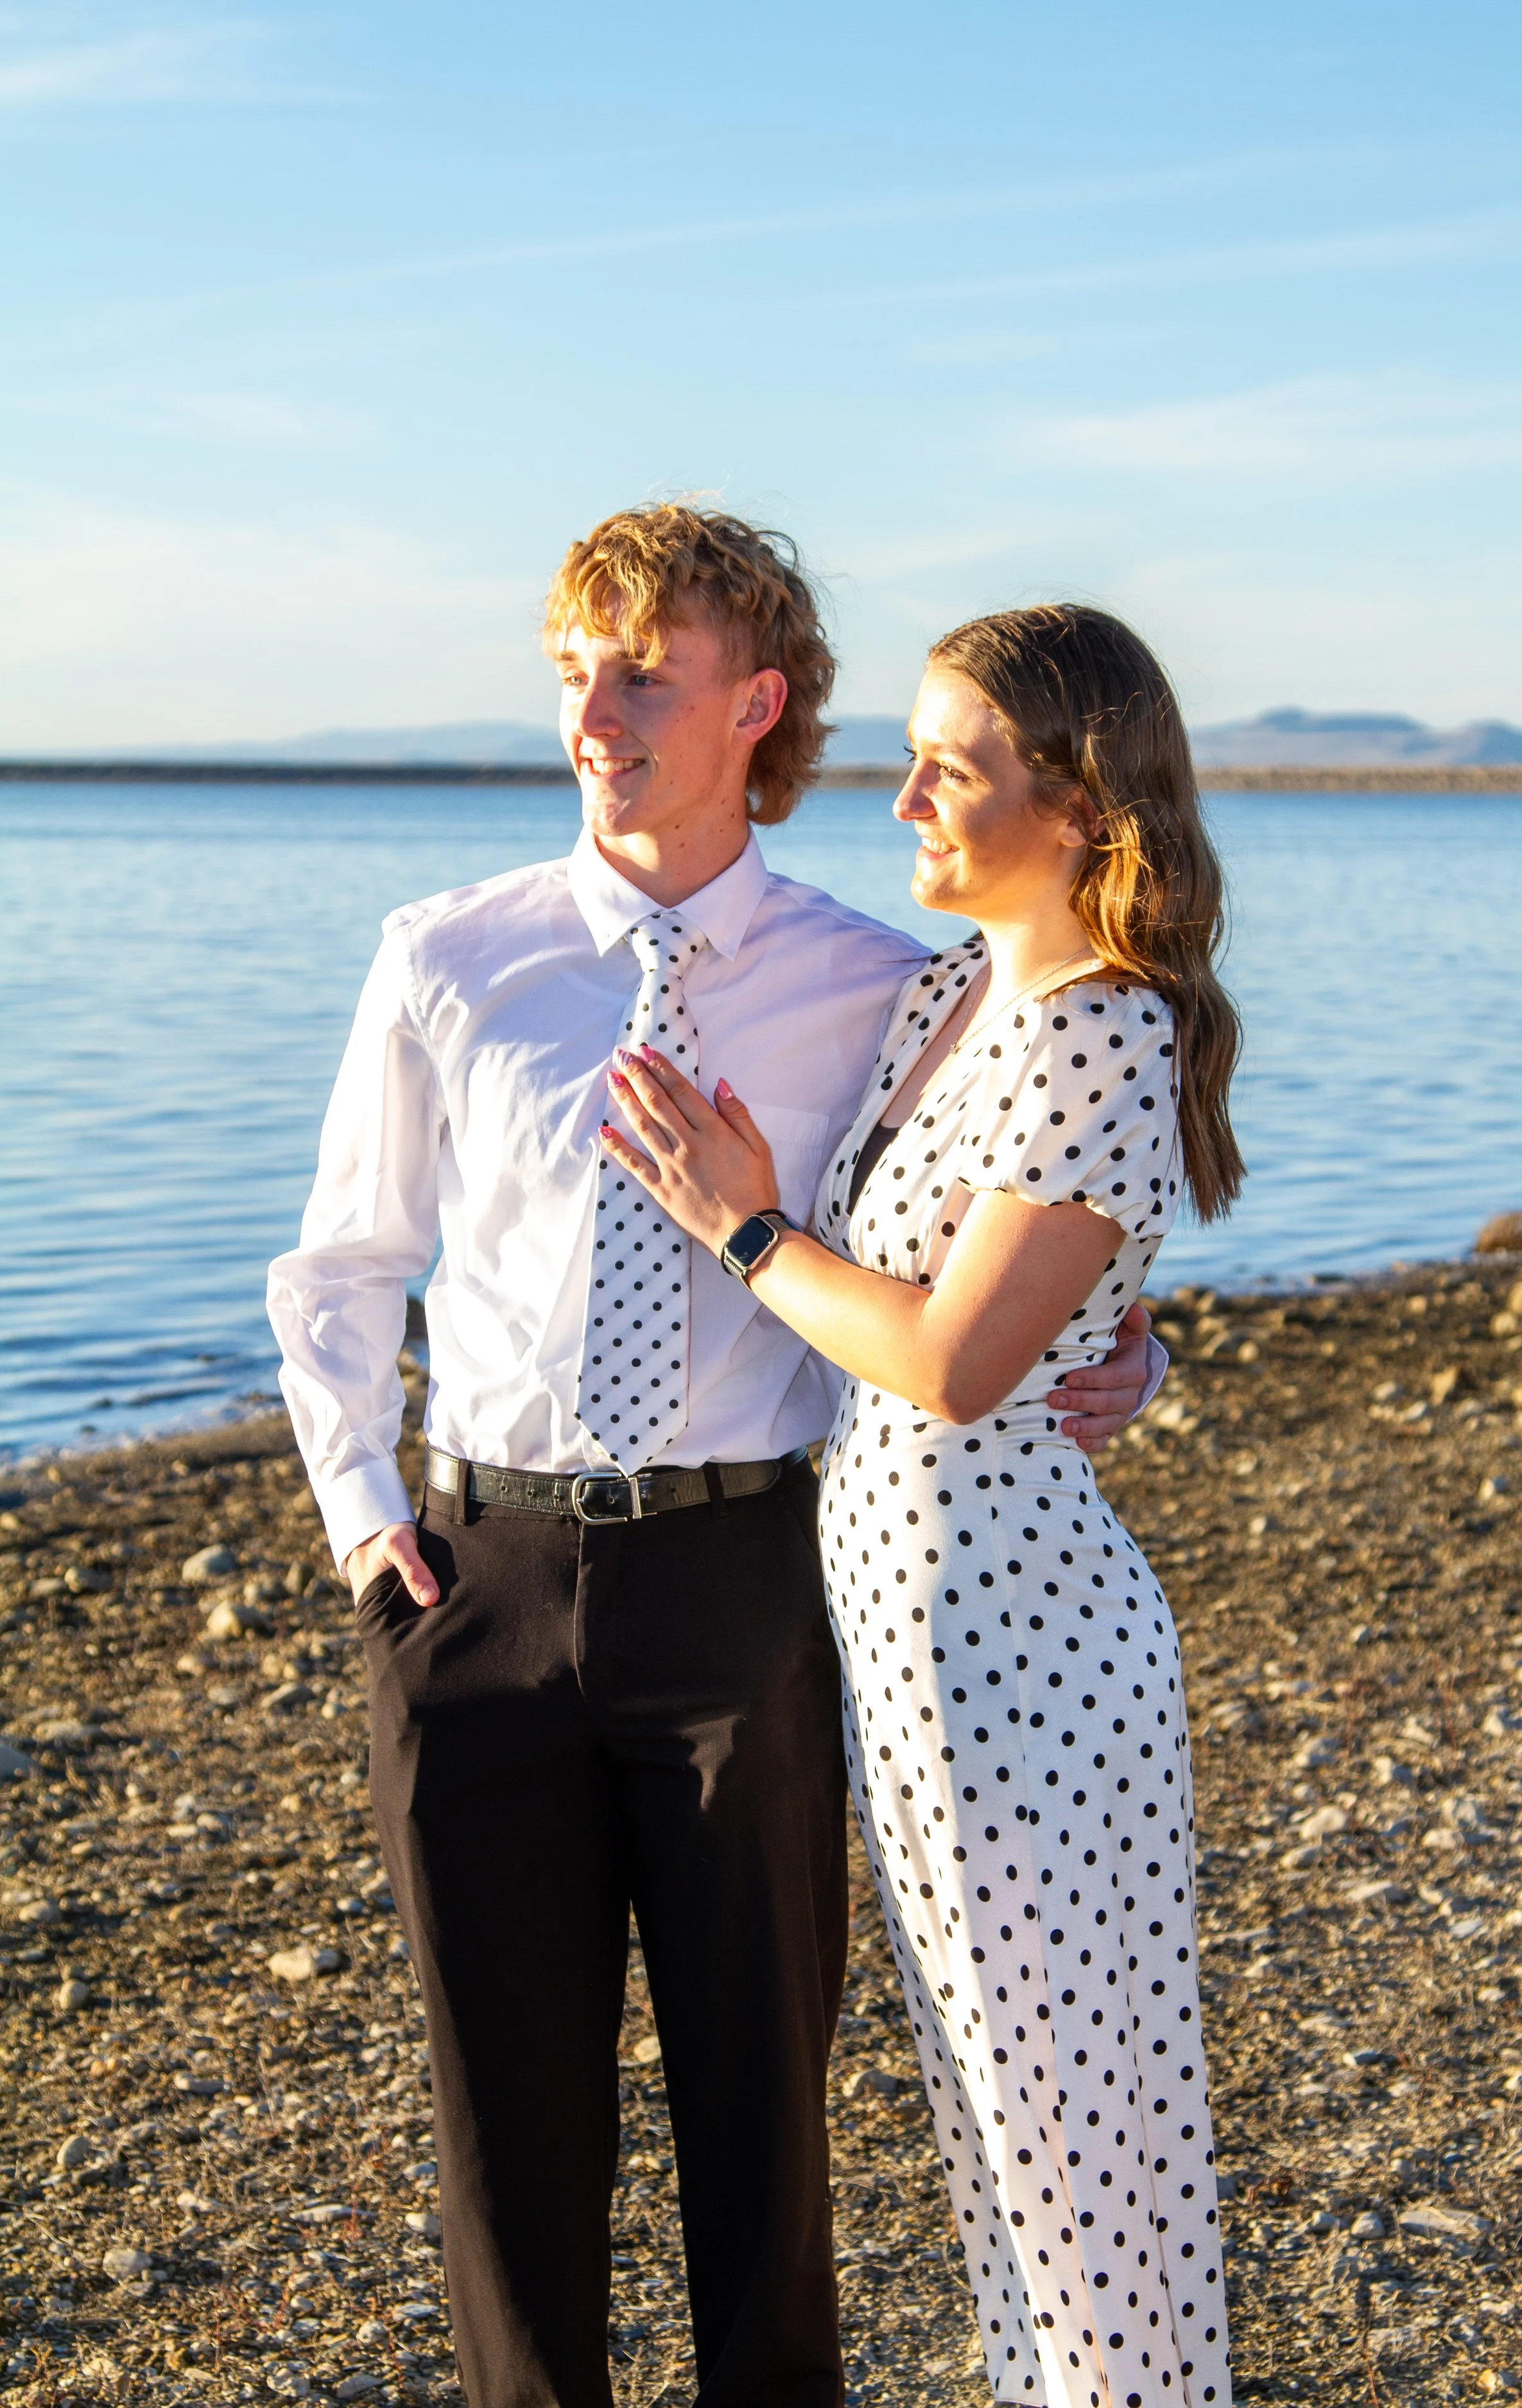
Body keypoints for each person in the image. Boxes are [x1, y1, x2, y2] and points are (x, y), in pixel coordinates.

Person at [265, 507, 1162, 2408]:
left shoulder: (887, 988)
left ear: (753, 703)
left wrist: (1117, 1339)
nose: (592, 708)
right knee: (505, 2139)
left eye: (641, 669)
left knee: (764, 2127)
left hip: (751, 1590)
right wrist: (365, 1528)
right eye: (570, 666)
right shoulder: (447, 956)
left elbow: (1002, 1204)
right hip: (477, 1587)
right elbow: (341, 1270)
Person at [600, 600, 1242, 2408]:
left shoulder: (1100, 1033)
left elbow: (955, 1363)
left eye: (947, 771)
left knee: (1077, 2143)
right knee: (999, 2126)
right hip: (914, 1640)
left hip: (1018, 1650)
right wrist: (1130, 1345)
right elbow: (1039, 1307)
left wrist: (735, 1221)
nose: (900, 805)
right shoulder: (948, 996)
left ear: (1084, 802)